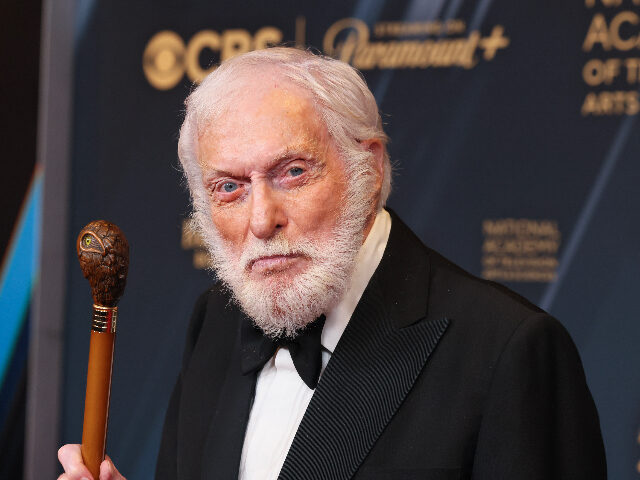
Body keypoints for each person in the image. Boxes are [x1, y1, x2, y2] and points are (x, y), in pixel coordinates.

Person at [58, 47, 606, 480]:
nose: (261, 219)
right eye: (229, 187)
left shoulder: (510, 351)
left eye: (292, 172)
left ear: (367, 170)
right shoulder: (215, 322)